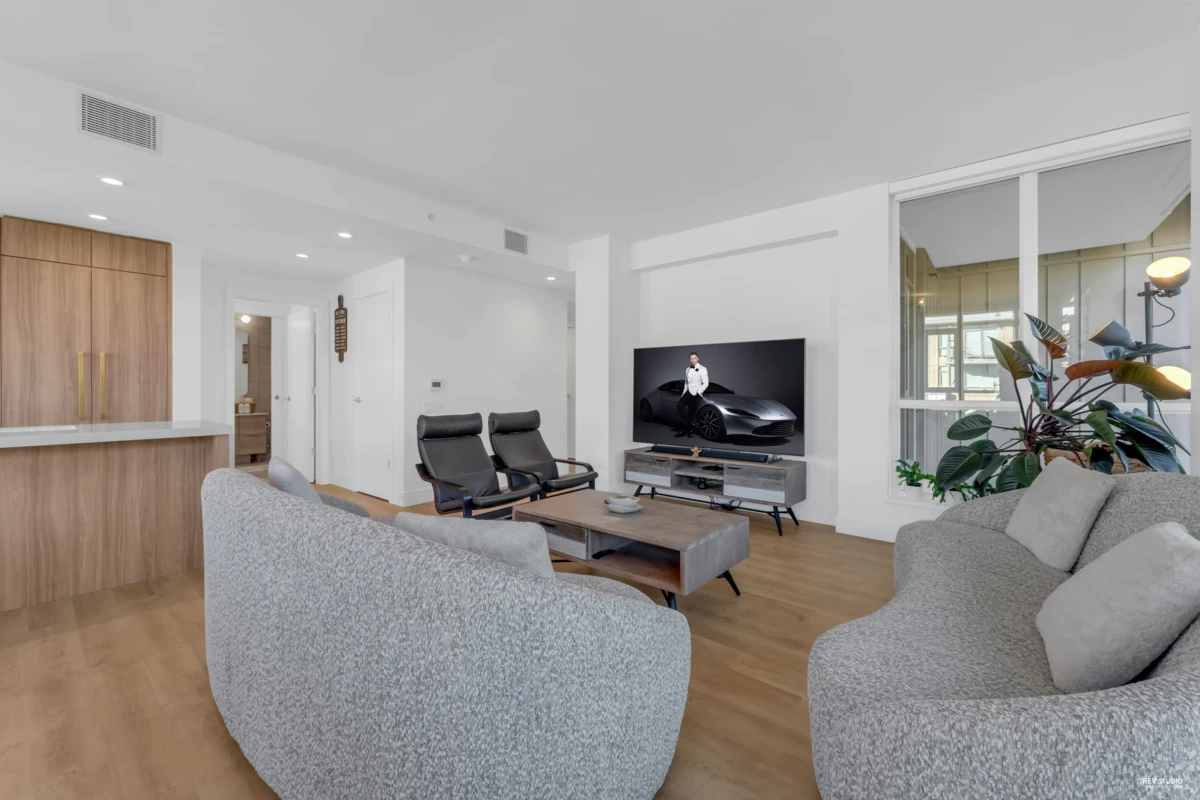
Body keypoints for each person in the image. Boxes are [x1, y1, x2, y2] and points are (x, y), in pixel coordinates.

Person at [675, 351, 709, 437]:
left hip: (696, 393)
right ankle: (689, 426)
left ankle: (686, 430)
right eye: (691, 358)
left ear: (698, 358)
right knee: (679, 405)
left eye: (694, 358)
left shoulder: (703, 369)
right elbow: (686, 383)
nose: (693, 360)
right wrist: (683, 394)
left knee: (691, 412)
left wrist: (699, 392)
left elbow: (706, 383)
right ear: (689, 360)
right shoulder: (687, 369)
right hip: (688, 392)